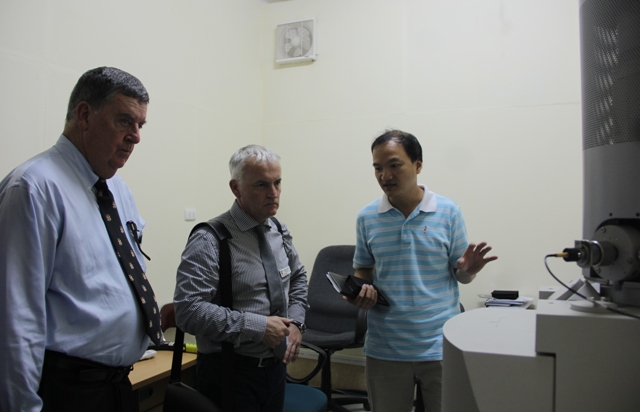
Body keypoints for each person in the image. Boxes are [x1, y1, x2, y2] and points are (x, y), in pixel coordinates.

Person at [0, 67, 158, 412]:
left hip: (116, 385)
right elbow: (16, 317)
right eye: (124, 121)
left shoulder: (117, 188)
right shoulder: (33, 189)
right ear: (84, 115)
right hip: (66, 390)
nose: (135, 137)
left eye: (140, 125)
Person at [347, 129, 497, 412]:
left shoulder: (448, 212)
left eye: (394, 165)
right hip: (385, 346)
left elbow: (461, 274)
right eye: (378, 168)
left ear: (417, 165)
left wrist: (469, 271)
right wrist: (359, 292)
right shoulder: (367, 217)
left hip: (440, 345)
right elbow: (363, 269)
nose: (385, 175)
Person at [174, 144, 309, 411]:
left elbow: (298, 278)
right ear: (236, 188)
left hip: (275, 370)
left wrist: (296, 323)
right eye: (261, 185)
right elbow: (188, 311)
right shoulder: (210, 239)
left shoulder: (279, 230)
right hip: (231, 373)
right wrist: (257, 327)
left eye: (277, 183)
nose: (273, 193)